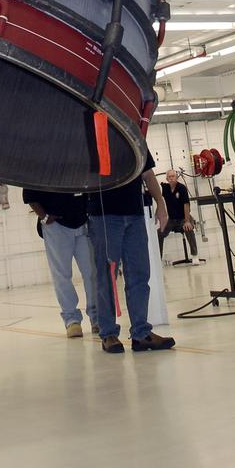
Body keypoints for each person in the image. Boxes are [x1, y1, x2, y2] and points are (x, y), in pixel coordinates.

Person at [88, 149, 176, 355]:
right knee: (106, 276)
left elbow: (148, 173)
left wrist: (161, 203)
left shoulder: (134, 136)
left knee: (139, 273)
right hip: (104, 215)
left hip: (134, 214)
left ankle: (141, 333)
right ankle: (108, 333)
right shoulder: (93, 137)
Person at [22, 188, 98, 338]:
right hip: (56, 224)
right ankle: (71, 319)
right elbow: (29, 195)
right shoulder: (41, 172)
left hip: (82, 221)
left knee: (92, 272)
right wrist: (44, 216)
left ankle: (97, 317)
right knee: (62, 275)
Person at [158, 170, 199, 264]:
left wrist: (187, 221)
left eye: (173, 176)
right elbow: (157, 189)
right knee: (159, 233)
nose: (171, 178)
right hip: (171, 219)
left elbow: (186, 205)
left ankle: (195, 255)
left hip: (184, 217)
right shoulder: (165, 188)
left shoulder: (182, 188)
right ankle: (158, 259)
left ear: (176, 177)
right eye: (169, 177)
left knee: (188, 228)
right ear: (167, 178)